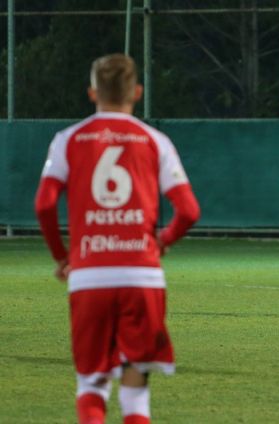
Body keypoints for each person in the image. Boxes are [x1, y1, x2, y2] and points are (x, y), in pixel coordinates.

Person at [34, 54, 200, 424]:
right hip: (142, 277)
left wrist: (62, 256)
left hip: (89, 276)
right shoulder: (156, 140)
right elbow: (189, 210)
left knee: (91, 383)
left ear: (92, 93)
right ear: (137, 92)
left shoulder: (68, 139)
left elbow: (44, 204)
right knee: (136, 387)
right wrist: (163, 241)